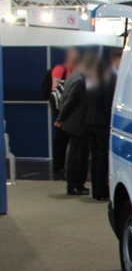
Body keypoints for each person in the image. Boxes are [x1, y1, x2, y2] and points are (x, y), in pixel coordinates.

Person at [56, 54, 94, 196]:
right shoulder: (79, 81)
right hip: (78, 124)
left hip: (73, 123)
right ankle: (74, 185)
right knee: (78, 156)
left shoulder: (72, 77)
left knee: (76, 154)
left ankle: (76, 184)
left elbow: (65, 100)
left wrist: (62, 118)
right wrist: (60, 118)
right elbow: (70, 102)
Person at [85, 49, 121, 200]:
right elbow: (108, 104)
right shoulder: (112, 78)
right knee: (102, 159)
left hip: (91, 121)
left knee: (95, 158)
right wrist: (111, 124)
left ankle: (96, 190)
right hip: (102, 124)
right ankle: (101, 192)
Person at [51, 47, 80, 176]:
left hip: (72, 110)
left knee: (70, 140)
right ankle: (58, 165)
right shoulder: (60, 69)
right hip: (62, 108)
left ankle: (68, 166)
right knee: (61, 139)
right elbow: (55, 88)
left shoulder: (76, 72)